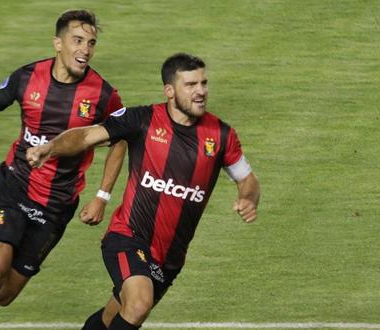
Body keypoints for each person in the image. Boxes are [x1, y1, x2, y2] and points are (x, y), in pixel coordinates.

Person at [27, 53, 261, 330]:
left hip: (170, 257)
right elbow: (86, 135)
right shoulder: (141, 119)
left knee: (112, 316)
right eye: (191, 85)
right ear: (170, 91)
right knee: (138, 305)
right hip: (128, 236)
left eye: (204, 83)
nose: (201, 91)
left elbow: (247, 180)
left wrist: (248, 198)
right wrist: (50, 147)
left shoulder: (222, 135)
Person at [0, 10, 127, 330]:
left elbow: (120, 140)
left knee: (4, 294)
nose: (85, 49)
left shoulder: (103, 94)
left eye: (91, 43)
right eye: (77, 40)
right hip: (13, 189)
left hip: (55, 206)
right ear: (58, 43)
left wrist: (102, 196)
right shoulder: (26, 78)